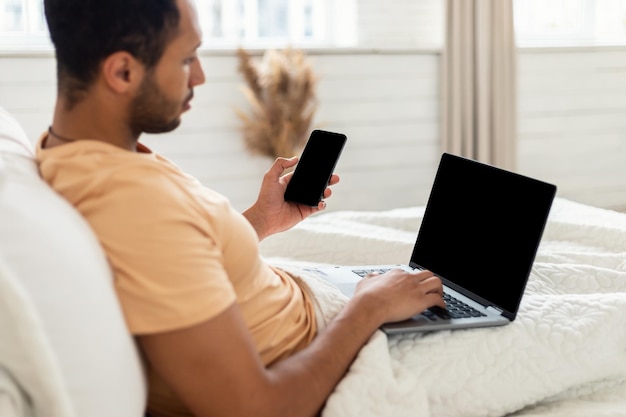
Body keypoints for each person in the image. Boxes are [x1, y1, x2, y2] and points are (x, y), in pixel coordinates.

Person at [37, 0, 445, 416]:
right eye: (186, 59)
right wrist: (370, 307)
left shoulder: (75, 153)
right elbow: (258, 407)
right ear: (123, 72)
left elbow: (179, 257)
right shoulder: (131, 204)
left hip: (312, 314)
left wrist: (259, 221)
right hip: (330, 353)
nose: (200, 76)